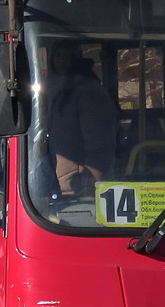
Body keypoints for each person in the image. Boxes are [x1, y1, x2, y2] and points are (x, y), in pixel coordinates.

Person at [45, 40, 117, 197]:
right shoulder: (54, 89)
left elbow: (99, 143)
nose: (61, 60)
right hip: (56, 184)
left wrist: (92, 183)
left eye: (67, 55)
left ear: (77, 58)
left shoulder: (89, 92)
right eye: (57, 55)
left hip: (78, 188)